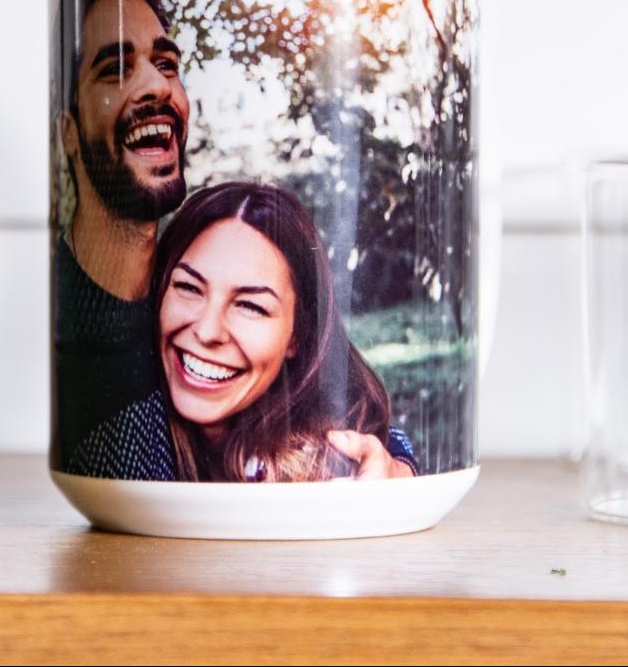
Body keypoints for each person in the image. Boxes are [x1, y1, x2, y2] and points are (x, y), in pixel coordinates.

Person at [71, 182, 419, 483]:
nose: (208, 331)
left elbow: (386, 445)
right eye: (189, 287)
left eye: (250, 306)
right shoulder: (126, 438)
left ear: (297, 335)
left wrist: (400, 472)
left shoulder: (329, 451)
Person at [51, 0, 192, 471]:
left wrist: (399, 463)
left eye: (166, 64)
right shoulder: (60, 331)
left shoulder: (212, 277)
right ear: (69, 131)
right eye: (115, 69)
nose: (157, 85)